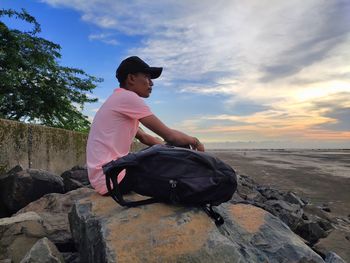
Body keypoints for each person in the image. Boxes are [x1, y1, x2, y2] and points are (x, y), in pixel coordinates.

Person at [86, 56, 205, 195]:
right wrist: (195, 141)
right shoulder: (128, 97)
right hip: (114, 178)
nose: (151, 83)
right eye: (147, 77)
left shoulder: (117, 99)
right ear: (131, 78)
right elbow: (170, 135)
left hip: (105, 177)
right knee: (181, 155)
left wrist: (168, 148)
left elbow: (144, 137)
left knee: (173, 152)